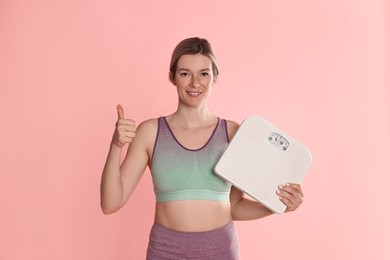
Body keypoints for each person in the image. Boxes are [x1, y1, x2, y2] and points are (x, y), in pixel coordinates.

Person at [100, 37, 304, 259]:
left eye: (204, 73)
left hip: (221, 249)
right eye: (185, 73)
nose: (195, 83)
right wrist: (116, 145)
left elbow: (234, 207)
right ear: (172, 77)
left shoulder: (233, 133)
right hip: (166, 250)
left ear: (215, 77)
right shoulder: (150, 132)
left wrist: (278, 205)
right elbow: (111, 203)